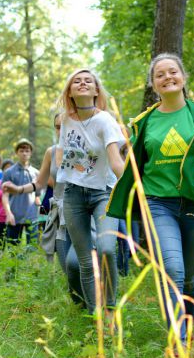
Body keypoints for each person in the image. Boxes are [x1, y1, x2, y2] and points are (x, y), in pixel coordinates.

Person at [107, 53, 194, 346]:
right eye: (160, 74)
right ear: (154, 84)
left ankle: (189, 320)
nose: (167, 77)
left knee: (189, 275)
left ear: (183, 78)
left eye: (173, 72)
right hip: (157, 202)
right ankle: (179, 338)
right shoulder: (146, 120)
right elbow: (132, 160)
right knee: (172, 268)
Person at [9, 69, 125, 318]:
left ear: (96, 90)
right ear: (70, 91)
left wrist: (134, 185)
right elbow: (60, 162)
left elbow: (116, 162)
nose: (82, 83)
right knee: (82, 262)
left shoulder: (105, 120)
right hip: (72, 196)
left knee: (105, 248)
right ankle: (95, 316)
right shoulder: (67, 121)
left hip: (103, 194)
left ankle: (111, 309)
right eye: (76, 81)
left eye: (88, 81)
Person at [3, 113, 85, 302]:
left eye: (65, 125)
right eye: (57, 127)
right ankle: (78, 304)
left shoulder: (86, 147)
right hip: (60, 215)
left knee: (78, 262)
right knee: (66, 265)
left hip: (82, 212)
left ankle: (93, 302)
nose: (61, 130)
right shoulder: (51, 151)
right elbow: (39, 184)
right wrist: (18, 189)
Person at [1, 139, 41, 246]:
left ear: (31, 153)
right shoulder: (9, 172)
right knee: (13, 249)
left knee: (32, 249)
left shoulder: (36, 173)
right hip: (14, 215)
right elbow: (4, 196)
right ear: (17, 152)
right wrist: (8, 214)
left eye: (27, 150)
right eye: (21, 150)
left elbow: (37, 196)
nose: (24, 153)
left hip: (32, 216)